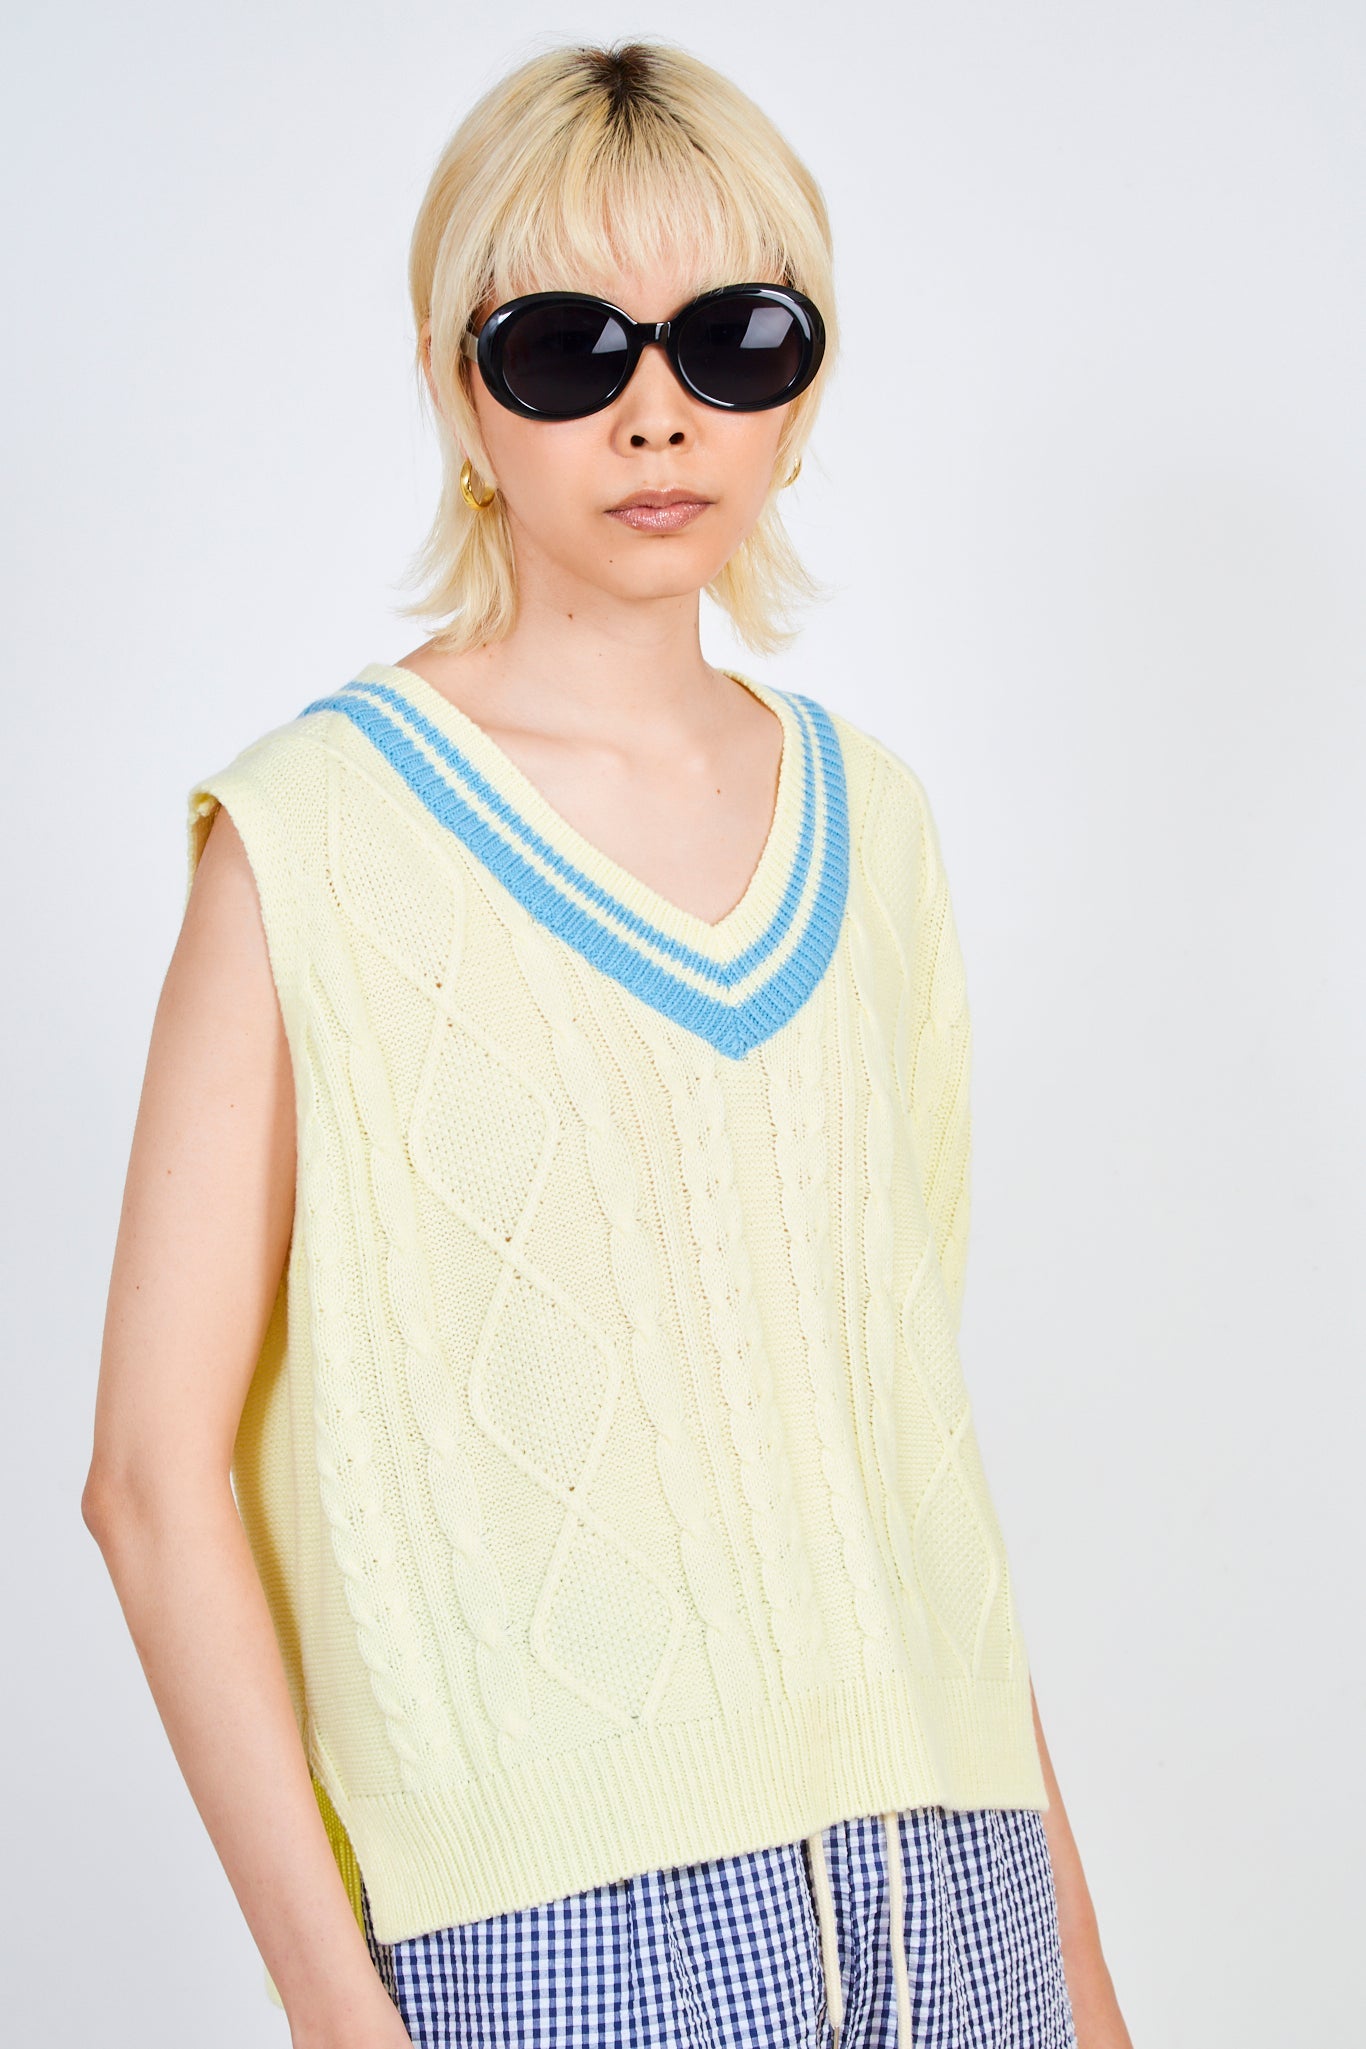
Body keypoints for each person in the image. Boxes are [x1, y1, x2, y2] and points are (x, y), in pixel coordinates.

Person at [82, 37, 1132, 2049]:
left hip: (964, 1889)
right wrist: (338, 2015)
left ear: (801, 386)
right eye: (566, 348)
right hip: (567, 1938)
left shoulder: (875, 822)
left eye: (733, 339)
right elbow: (147, 1478)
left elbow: (899, 1443)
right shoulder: (311, 839)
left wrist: (1078, 1976)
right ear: (455, 388)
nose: (657, 414)